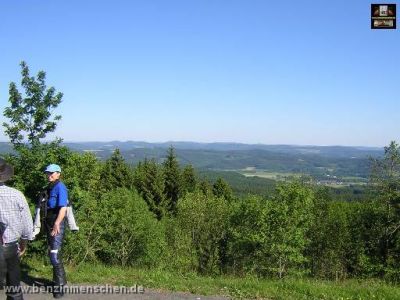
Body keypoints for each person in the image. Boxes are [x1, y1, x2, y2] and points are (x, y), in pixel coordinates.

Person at [0, 158, 33, 300]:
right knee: (14, 287)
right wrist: (23, 244)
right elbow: (27, 226)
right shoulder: (16, 195)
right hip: (10, 247)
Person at [44, 164, 68, 299]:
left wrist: (57, 224)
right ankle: (60, 281)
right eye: (47, 173)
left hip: (56, 224)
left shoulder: (60, 187)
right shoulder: (50, 186)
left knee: (55, 254)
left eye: (51, 173)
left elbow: (63, 208)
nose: (49, 175)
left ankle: (59, 288)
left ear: (58, 173)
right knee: (53, 252)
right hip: (49, 223)